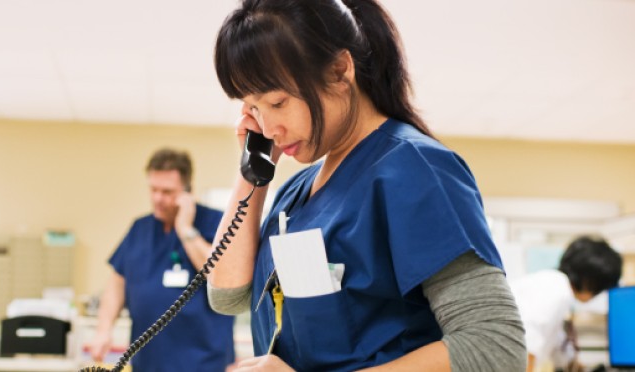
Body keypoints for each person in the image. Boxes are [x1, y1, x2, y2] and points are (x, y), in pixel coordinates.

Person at [205, 0, 527, 371]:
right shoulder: (297, 193)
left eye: (278, 102)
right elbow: (227, 296)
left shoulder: (414, 169)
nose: (269, 126)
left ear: (340, 71)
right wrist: (253, 171)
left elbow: (495, 346)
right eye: (253, 108)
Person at [86, 148, 235, 371]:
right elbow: (118, 282)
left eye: (167, 192)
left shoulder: (216, 222)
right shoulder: (140, 228)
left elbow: (221, 274)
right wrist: (103, 329)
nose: (157, 198)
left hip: (202, 363)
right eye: (153, 189)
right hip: (148, 361)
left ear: (187, 191)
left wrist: (185, 228)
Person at [510, 235, 622, 372]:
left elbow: (558, 346)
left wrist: (574, 363)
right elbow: (527, 345)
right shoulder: (556, 288)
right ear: (592, 281)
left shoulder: (553, 284)